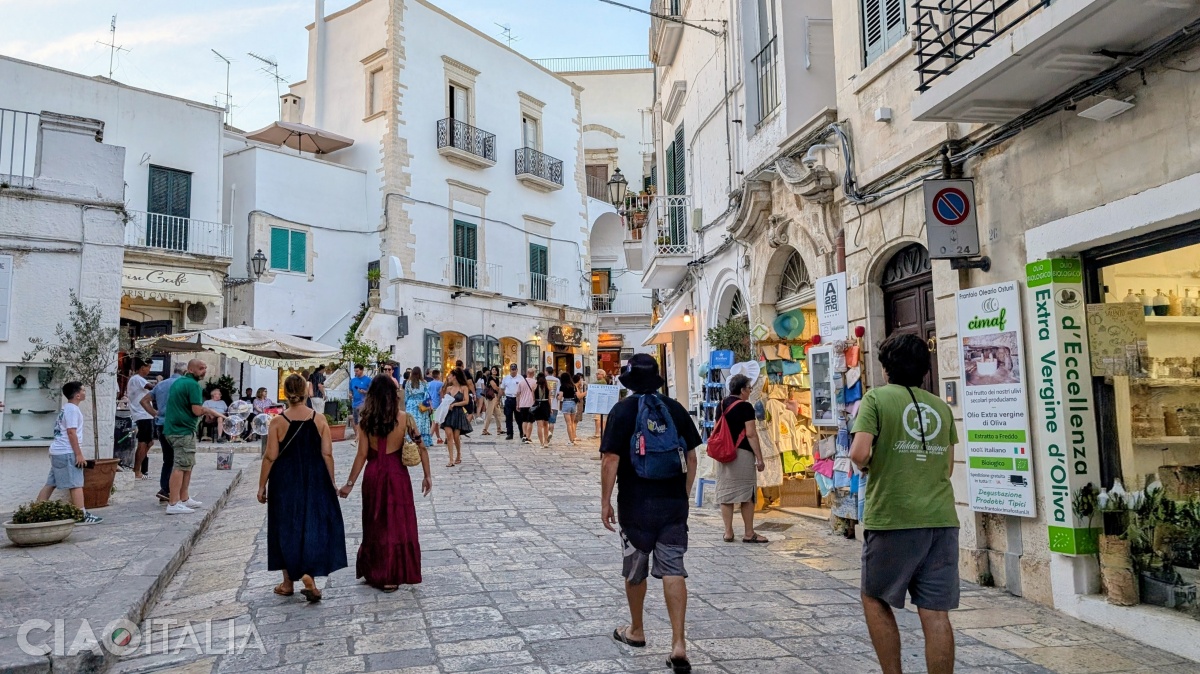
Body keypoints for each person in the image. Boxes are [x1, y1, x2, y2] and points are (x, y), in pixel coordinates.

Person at [850, 334, 959, 674]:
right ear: (925, 370)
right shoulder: (941, 406)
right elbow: (949, 466)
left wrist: (872, 465)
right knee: (935, 612)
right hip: (941, 519)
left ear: (886, 369)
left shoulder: (876, 399)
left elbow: (859, 453)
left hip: (894, 516)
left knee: (874, 598)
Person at [600, 354, 701, 673]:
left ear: (628, 382)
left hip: (636, 506)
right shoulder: (674, 409)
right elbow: (693, 458)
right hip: (672, 506)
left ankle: (637, 630)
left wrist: (605, 501)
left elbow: (610, 461)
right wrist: (682, 497)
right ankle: (679, 643)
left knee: (635, 568)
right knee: (674, 568)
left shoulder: (622, 410)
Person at [257, 374, 347, 602]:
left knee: (285, 527)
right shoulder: (319, 419)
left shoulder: (278, 422)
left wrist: (261, 486)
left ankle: (288, 583)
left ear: (286, 394)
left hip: (284, 480)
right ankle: (309, 576)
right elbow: (327, 453)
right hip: (314, 478)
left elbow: (270, 457)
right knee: (311, 526)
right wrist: (332, 481)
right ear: (307, 392)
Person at [340, 375, 432, 592]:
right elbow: (422, 447)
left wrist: (349, 483)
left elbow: (362, 455)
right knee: (398, 523)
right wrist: (427, 476)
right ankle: (393, 573)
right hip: (397, 475)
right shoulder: (405, 418)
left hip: (373, 474)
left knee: (375, 522)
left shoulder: (366, 421)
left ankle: (377, 570)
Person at [163, 359, 225, 515]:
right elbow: (197, 410)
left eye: (205, 368)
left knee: (188, 465)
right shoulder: (193, 385)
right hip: (181, 431)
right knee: (180, 466)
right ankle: (173, 503)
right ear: (190, 369)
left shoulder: (179, 382)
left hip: (175, 429)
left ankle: (184, 498)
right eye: (200, 368)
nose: (204, 371)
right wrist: (212, 411)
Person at [36, 382, 102, 525]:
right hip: (67, 452)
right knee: (76, 483)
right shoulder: (72, 410)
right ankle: (81, 515)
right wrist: (78, 454)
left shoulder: (65, 409)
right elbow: (71, 432)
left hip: (57, 452)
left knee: (51, 483)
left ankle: (37, 510)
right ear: (78, 395)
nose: (85, 392)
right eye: (83, 390)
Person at [714, 374, 768, 543]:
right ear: (742, 389)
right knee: (747, 494)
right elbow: (751, 434)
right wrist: (760, 458)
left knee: (726, 493)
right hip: (742, 453)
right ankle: (749, 533)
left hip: (723, 453)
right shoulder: (746, 407)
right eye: (749, 388)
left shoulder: (721, 405)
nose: (750, 391)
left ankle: (728, 532)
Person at [151, 362, 187, 503]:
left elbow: (145, 400)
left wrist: (155, 413)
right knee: (178, 460)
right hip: (176, 426)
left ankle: (165, 488)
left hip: (161, 424)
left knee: (168, 459)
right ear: (185, 372)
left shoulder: (161, 384)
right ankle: (171, 491)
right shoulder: (184, 384)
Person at [127, 358, 158, 479]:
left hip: (147, 415)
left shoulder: (138, 379)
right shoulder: (137, 379)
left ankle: (139, 467)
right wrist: (159, 381)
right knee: (143, 442)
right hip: (142, 414)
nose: (149, 370)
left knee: (149, 442)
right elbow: (152, 388)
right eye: (148, 367)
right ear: (142, 367)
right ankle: (137, 469)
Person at [441, 369, 473, 466]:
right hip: (448, 413)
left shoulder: (464, 388)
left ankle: (458, 454)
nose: (448, 377)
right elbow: (445, 400)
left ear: (455, 376)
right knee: (449, 436)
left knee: (456, 437)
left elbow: (466, 401)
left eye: (450, 376)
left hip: (458, 413)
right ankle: (451, 459)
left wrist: (455, 405)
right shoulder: (448, 388)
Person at [404, 367, 433, 447]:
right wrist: (429, 405)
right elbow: (427, 395)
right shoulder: (424, 382)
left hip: (411, 404)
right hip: (421, 404)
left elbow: (406, 396)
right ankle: (423, 440)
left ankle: (410, 438)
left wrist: (406, 404)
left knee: (411, 422)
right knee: (421, 422)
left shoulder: (408, 383)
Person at [501, 364, 524, 441]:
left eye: (514, 369)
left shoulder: (521, 378)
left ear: (517, 370)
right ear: (510, 370)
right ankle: (510, 433)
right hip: (509, 399)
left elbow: (523, 389)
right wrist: (498, 398)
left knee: (519, 418)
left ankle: (522, 432)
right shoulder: (506, 378)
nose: (513, 371)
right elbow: (502, 388)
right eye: (512, 369)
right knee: (508, 417)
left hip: (517, 399)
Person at [480, 366, 503, 435]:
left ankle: (499, 429)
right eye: (493, 369)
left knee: (498, 413)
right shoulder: (490, 377)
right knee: (489, 413)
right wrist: (502, 389)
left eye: (495, 370)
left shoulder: (497, 379)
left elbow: (497, 388)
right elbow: (495, 387)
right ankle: (484, 429)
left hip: (495, 397)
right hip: (491, 397)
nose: (494, 371)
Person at [517, 367, 537, 444]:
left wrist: (517, 404)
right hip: (531, 404)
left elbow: (518, 394)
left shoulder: (521, 382)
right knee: (530, 421)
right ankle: (528, 437)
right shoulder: (535, 382)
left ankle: (524, 435)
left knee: (524, 420)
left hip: (522, 404)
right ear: (533, 374)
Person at [558, 373, 579, 446]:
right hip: (573, 403)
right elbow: (577, 395)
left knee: (568, 423)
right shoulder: (573, 386)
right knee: (572, 422)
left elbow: (560, 397)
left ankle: (571, 440)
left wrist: (557, 397)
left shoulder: (562, 386)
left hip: (566, 402)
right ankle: (573, 438)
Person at [532, 371, 552, 447]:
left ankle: (541, 443)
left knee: (539, 425)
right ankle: (546, 442)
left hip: (537, 405)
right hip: (545, 404)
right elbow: (549, 399)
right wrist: (550, 408)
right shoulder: (548, 387)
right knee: (546, 425)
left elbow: (533, 399)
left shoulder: (534, 387)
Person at [350, 364, 372, 432]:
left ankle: (360, 437)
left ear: (362, 370)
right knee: (355, 421)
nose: (356, 373)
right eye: (355, 371)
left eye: (357, 371)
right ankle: (357, 436)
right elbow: (350, 390)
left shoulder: (368, 380)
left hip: (364, 404)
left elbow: (372, 392)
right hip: (355, 403)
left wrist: (365, 392)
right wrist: (350, 394)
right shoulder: (352, 380)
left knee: (362, 421)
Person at [427, 369, 445, 445]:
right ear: (438, 375)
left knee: (435, 422)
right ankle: (429, 439)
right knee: (434, 422)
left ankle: (438, 438)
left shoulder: (429, 384)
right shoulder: (441, 384)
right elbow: (442, 395)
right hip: (437, 405)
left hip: (430, 404)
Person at [544, 366, 561, 442]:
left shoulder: (544, 379)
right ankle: (550, 433)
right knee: (552, 421)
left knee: (545, 421)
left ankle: (546, 435)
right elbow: (559, 392)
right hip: (554, 403)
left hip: (545, 403)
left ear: (546, 371)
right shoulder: (557, 380)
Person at [593, 369, 608, 438]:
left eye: (598, 374)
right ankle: (601, 431)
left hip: (599, 402)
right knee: (600, 418)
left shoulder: (601, 382)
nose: (596, 375)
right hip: (600, 401)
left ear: (602, 375)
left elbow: (592, 386)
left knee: (597, 418)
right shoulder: (601, 381)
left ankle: (597, 432)